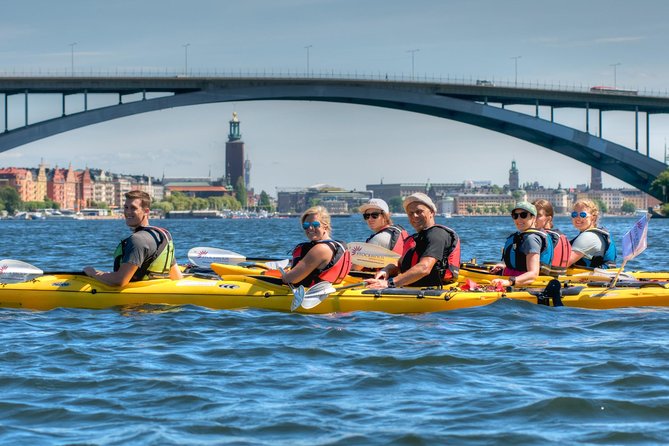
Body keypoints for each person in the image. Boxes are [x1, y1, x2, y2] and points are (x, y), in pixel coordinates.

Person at [83, 190, 183, 286]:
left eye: (133, 208)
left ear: (146, 211)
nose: (128, 212)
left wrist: (93, 273)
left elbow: (120, 280)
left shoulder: (137, 240)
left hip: (139, 303)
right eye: (126, 207)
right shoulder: (163, 235)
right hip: (159, 294)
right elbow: (177, 276)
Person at [366, 192, 460, 289]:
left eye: (419, 211)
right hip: (410, 288)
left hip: (432, 292)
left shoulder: (437, 235)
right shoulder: (416, 238)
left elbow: (424, 268)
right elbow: (398, 265)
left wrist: (390, 283)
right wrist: (387, 270)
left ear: (431, 212)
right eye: (410, 213)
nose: (414, 216)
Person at [280, 206, 351, 287]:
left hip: (309, 294)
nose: (310, 228)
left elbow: (290, 279)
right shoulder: (334, 246)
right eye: (306, 225)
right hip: (325, 289)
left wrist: (285, 275)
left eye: (315, 224)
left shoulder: (320, 249)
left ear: (325, 226)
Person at [491, 201, 552, 288]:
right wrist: (505, 267)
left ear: (533, 217)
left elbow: (533, 274)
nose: (519, 219)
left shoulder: (531, 239)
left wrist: (509, 282)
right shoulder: (527, 236)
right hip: (521, 279)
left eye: (523, 215)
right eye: (515, 216)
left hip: (530, 285)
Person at [567, 199, 617, 268]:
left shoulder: (588, 237)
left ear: (593, 218)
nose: (577, 218)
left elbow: (563, 264)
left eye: (582, 215)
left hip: (594, 278)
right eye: (574, 214)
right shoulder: (596, 235)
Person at [532, 199, 572, 276]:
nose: (533, 218)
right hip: (560, 280)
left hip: (540, 281)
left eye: (538, 215)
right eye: (532, 215)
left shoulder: (538, 237)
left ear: (548, 219)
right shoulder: (562, 236)